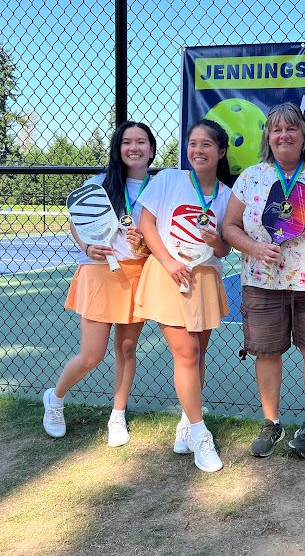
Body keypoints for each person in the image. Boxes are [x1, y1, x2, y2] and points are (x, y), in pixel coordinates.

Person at [222, 102, 305, 458]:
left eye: (291, 129)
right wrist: (254, 247)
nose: (283, 135)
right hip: (262, 280)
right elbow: (229, 227)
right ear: (267, 137)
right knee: (266, 352)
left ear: (304, 136)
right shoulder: (252, 176)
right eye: (276, 130)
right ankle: (272, 422)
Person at [42, 121, 156, 447]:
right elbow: (78, 223)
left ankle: (117, 416)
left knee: (127, 349)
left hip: (136, 273)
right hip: (99, 272)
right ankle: (55, 398)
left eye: (141, 142)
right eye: (127, 142)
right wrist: (88, 247)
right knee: (92, 354)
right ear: (118, 149)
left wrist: (143, 243)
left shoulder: (159, 187)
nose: (134, 147)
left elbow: (158, 237)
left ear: (151, 148)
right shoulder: (100, 184)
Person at [134, 119, 233, 473]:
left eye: (206, 144)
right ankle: (200, 433)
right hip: (168, 276)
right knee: (187, 353)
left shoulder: (225, 195)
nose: (198, 150)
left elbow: (223, 250)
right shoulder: (169, 180)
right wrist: (168, 261)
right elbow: (146, 223)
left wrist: (216, 242)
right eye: (193, 143)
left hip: (205, 279)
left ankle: (186, 420)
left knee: (199, 354)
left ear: (220, 152)